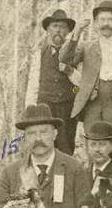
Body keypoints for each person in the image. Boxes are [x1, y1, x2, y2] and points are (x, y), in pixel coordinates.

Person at [59, 0, 112, 140]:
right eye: (102, 20)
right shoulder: (86, 47)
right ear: (96, 24)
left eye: (110, 20)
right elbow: (65, 58)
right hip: (92, 104)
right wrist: (76, 33)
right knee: (93, 142)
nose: (106, 24)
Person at [24, 8, 81, 154]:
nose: (58, 31)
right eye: (55, 26)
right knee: (45, 146)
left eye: (62, 27)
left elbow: (82, 84)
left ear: (68, 32)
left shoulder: (77, 53)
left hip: (67, 108)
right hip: (45, 107)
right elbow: (33, 82)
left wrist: (70, 71)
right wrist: (30, 109)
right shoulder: (40, 53)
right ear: (48, 29)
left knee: (66, 147)